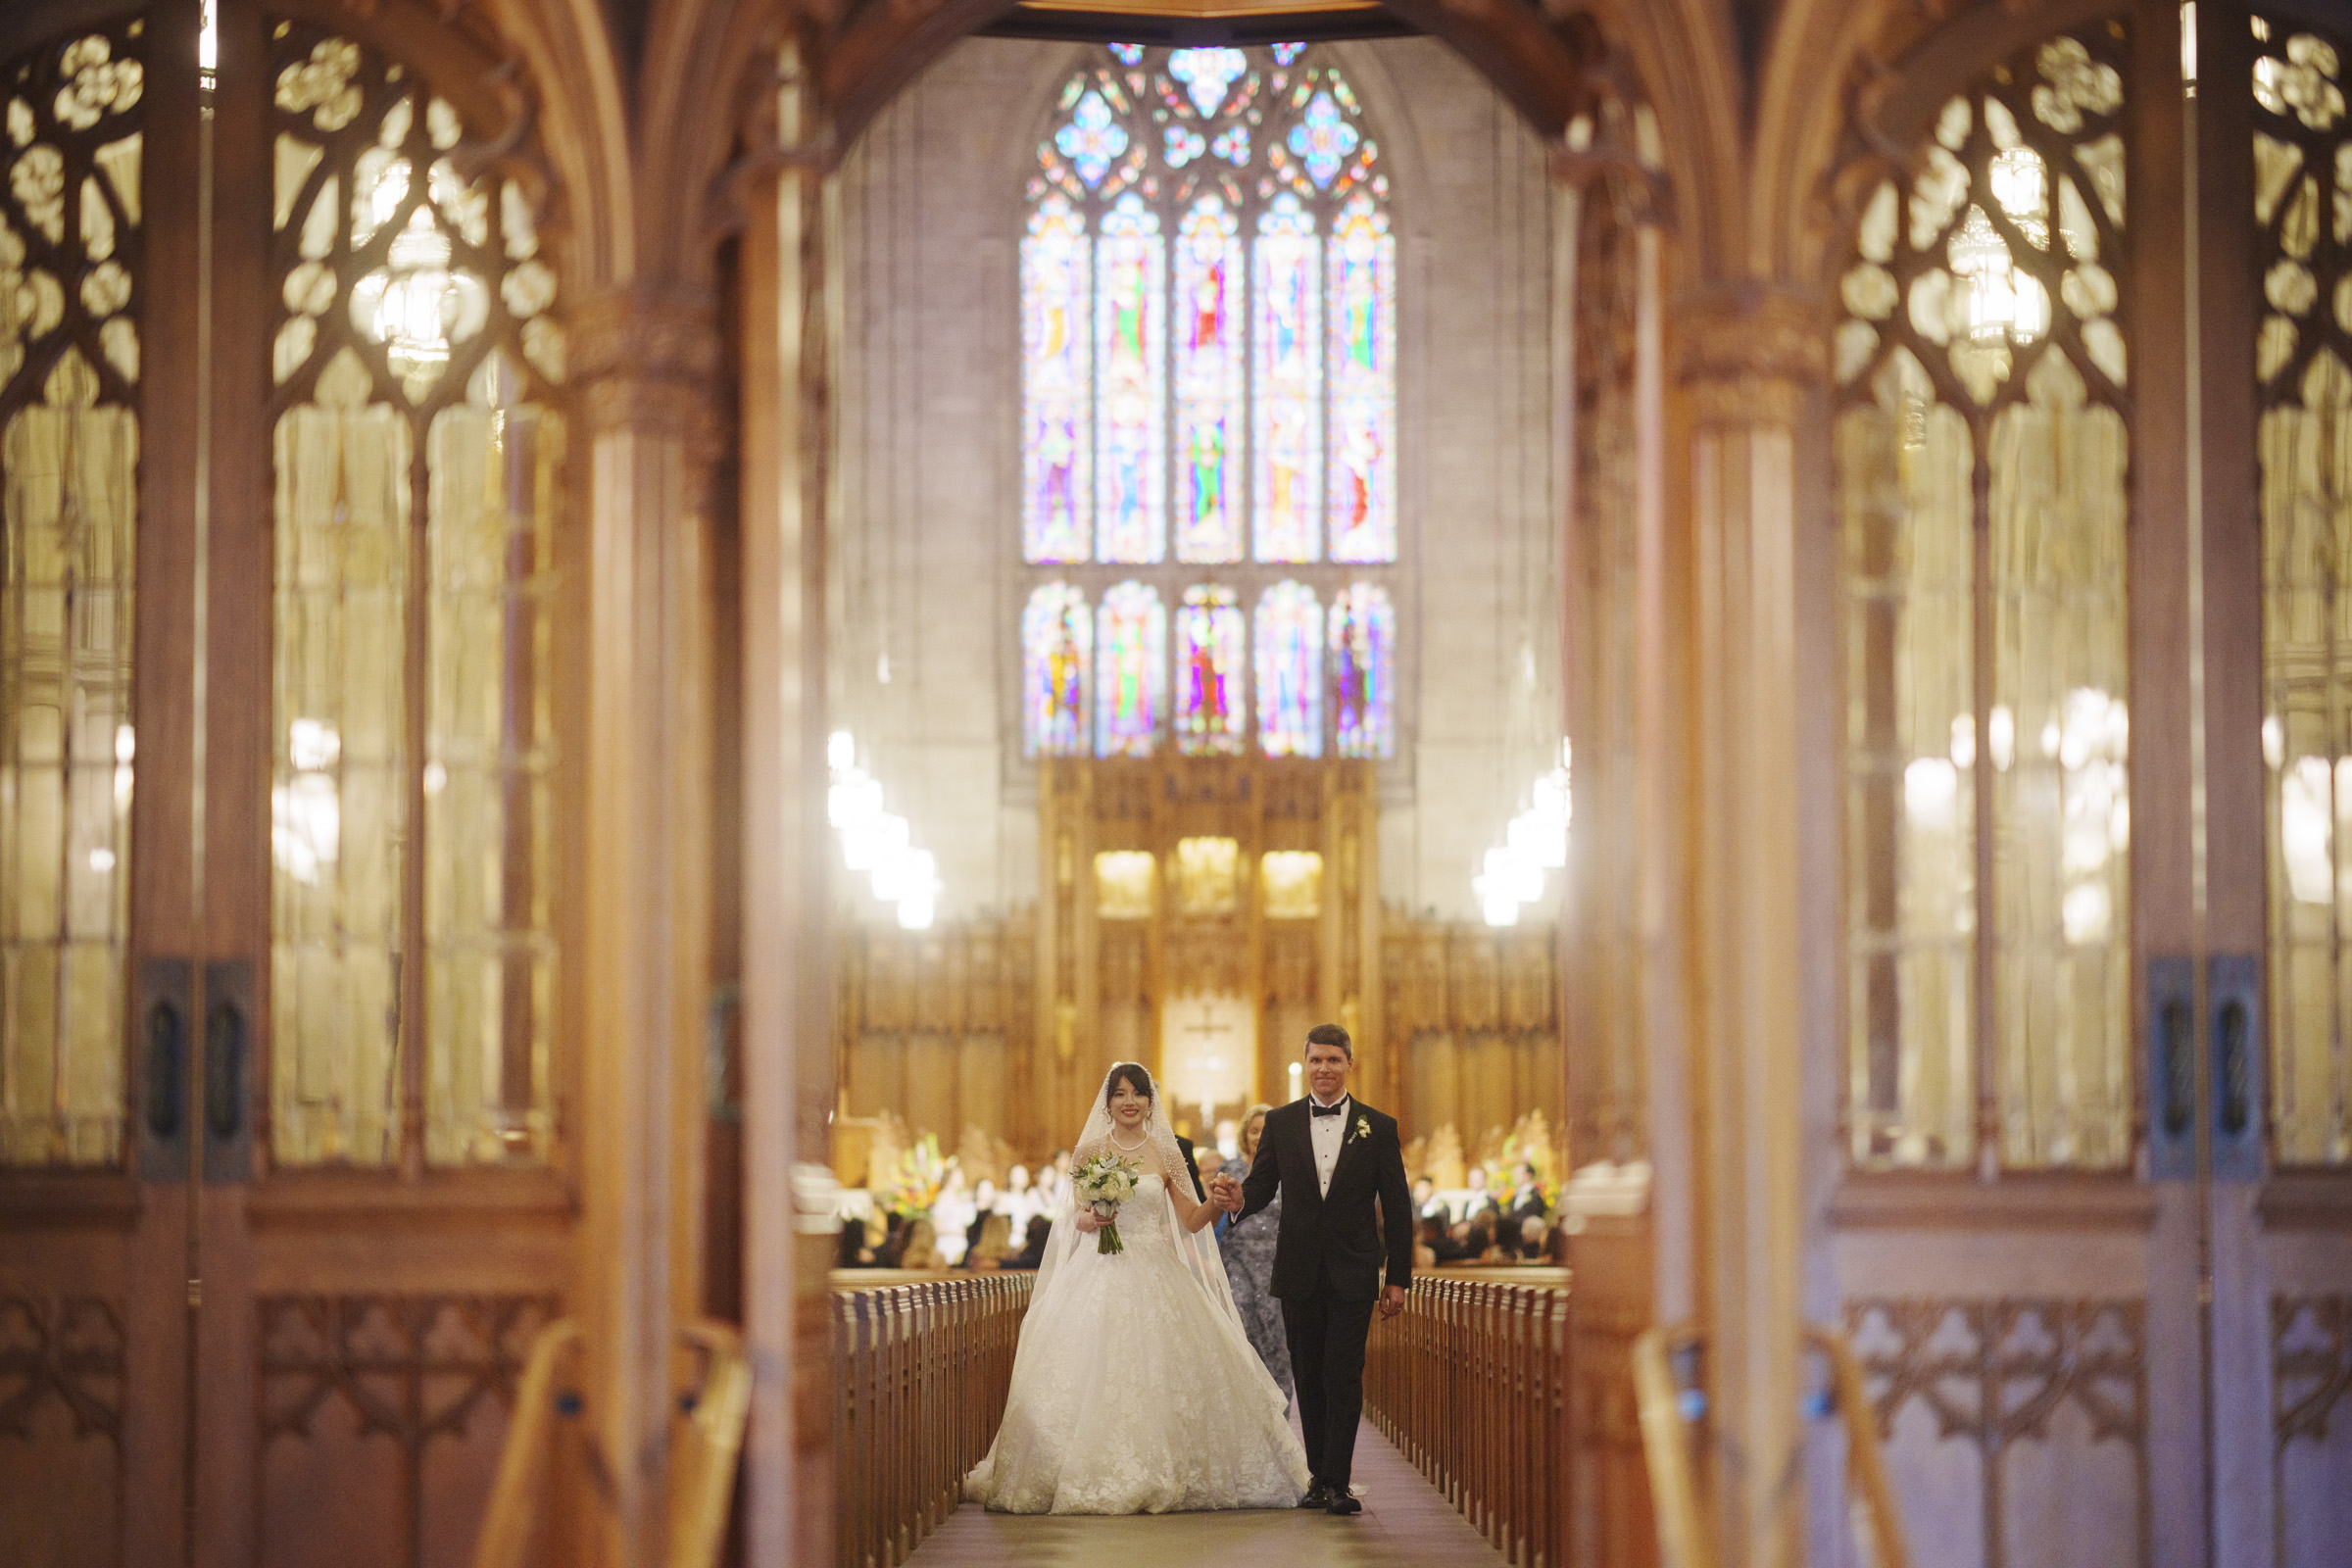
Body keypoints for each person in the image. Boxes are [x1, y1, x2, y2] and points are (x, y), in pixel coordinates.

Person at [963, 1063, 1308, 1514]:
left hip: (1154, 1267)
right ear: (1107, 1103)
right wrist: (1093, 1219)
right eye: (1120, 1094)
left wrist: (1216, 1204)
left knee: (1164, 1370)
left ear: (1150, 1101)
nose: (1129, 1102)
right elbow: (1076, 1218)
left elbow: (1190, 1221)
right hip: (1097, 1270)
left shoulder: (1165, 1153)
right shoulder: (1089, 1150)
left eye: (1138, 1094)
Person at [1216, 1023, 1413, 1516]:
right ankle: (1317, 1478)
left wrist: (1397, 1278)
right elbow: (1260, 1187)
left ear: (1349, 1064)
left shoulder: (1378, 1126)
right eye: (1316, 1061)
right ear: (1306, 1064)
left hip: (1353, 1270)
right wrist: (1240, 1200)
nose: (1324, 1069)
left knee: (1344, 1373)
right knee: (1308, 1374)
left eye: (1333, 1060)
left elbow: (1398, 1206)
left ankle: (1338, 1482)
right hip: (1299, 1269)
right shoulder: (1281, 1123)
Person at [1215, 1103, 1291, 1404]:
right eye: (1254, 1130)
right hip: (1237, 1261)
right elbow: (1216, 1215)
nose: (1260, 1136)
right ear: (1244, 1135)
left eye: (1266, 1130)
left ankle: (1278, 1412)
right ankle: (1243, 1410)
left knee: (1277, 1341)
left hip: (1277, 1264)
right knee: (1240, 1331)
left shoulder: (1289, 1167)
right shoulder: (1230, 1169)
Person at [1505, 1162, 1547, 1231]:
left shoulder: (1535, 1196)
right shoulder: (1514, 1196)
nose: (1515, 1176)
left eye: (1518, 1174)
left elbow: (1535, 1216)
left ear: (1528, 1176)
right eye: (1515, 1174)